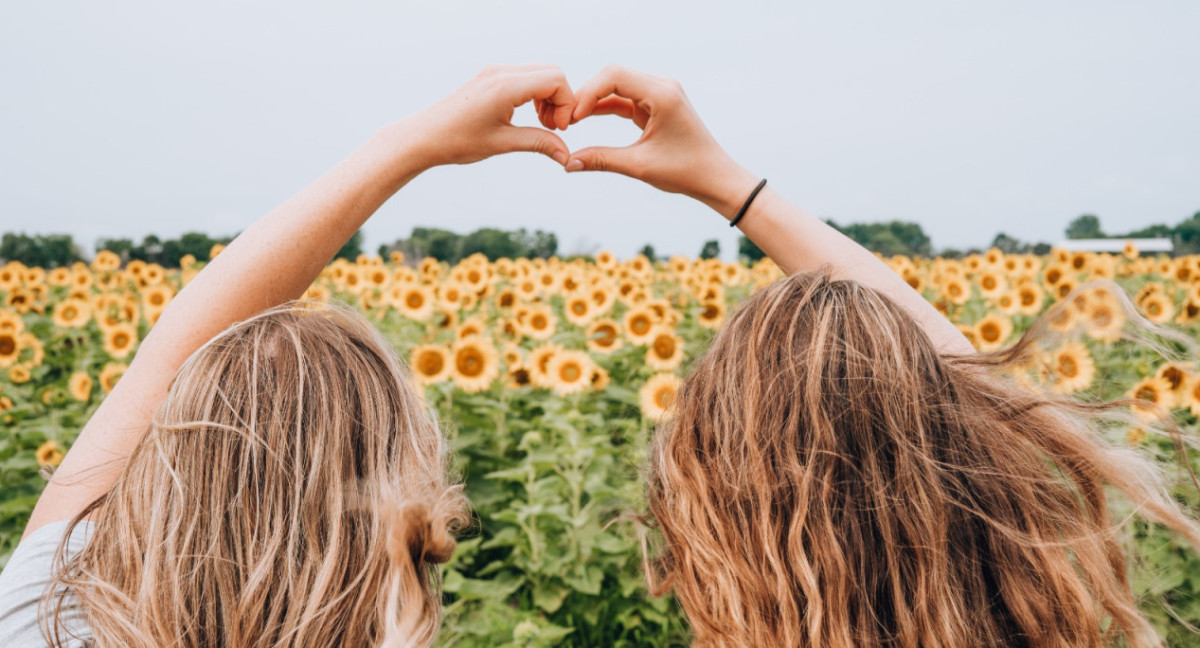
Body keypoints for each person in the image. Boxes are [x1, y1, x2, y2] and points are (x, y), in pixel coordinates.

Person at [561, 66, 1200, 647]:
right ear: (966, 476)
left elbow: (969, 391)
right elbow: (968, 390)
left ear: (718, 512)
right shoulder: (1018, 623)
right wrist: (729, 183)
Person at [0, 64, 581, 648]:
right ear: (397, 535)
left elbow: (167, 353)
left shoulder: (42, 622)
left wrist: (405, 144)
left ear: (160, 489)